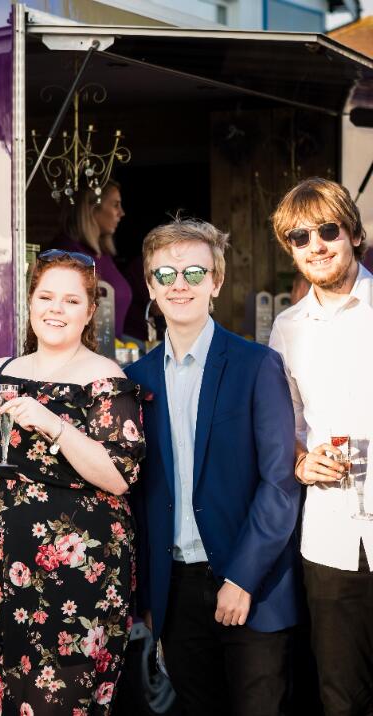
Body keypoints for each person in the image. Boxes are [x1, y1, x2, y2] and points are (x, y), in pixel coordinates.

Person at [0, 249, 145, 715]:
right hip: (3, 580)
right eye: (46, 297)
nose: (56, 309)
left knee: (59, 700)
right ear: (30, 302)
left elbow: (120, 476)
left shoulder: (107, 381)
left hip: (80, 584)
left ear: (90, 311)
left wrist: (54, 425)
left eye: (71, 301)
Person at [125, 218, 302, 716]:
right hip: (176, 591)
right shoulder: (134, 380)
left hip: (254, 585)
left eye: (194, 272)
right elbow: (136, 493)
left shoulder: (256, 365)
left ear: (216, 282)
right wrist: (147, 596)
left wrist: (242, 579)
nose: (179, 284)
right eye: (165, 274)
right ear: (150, 285)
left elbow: (280, 483)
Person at [269, 177, 373, 716]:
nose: (316, 245)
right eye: (300, 237)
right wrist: (301, 462)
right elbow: (282, 428)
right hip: (331, 539)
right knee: (341, 698)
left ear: (352, 232)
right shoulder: (288, 328)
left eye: (327, 230)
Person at [52, 179, 132, 337]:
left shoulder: (102, 254)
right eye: (115, 205)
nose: (121, 213)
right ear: (92, 207)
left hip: (111, 348)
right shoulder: (68, 252)